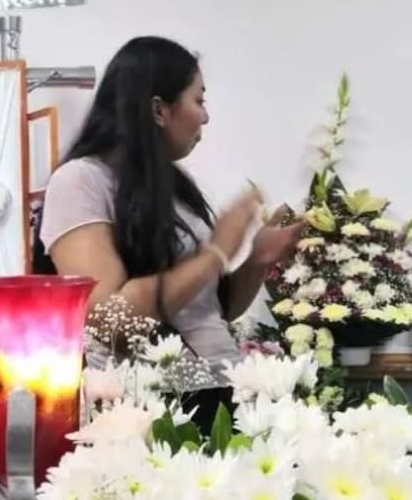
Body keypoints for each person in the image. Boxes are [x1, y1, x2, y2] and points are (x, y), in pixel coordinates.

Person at [33, 36, 302, 426]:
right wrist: (216, 252)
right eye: (199, 100)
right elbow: (109, 320)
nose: (206, 117)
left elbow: (214, 309)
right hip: (150, 406)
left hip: (220, 388)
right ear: (159, 109)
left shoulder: (173, 190)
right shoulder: (79, 181)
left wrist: (257, 257)